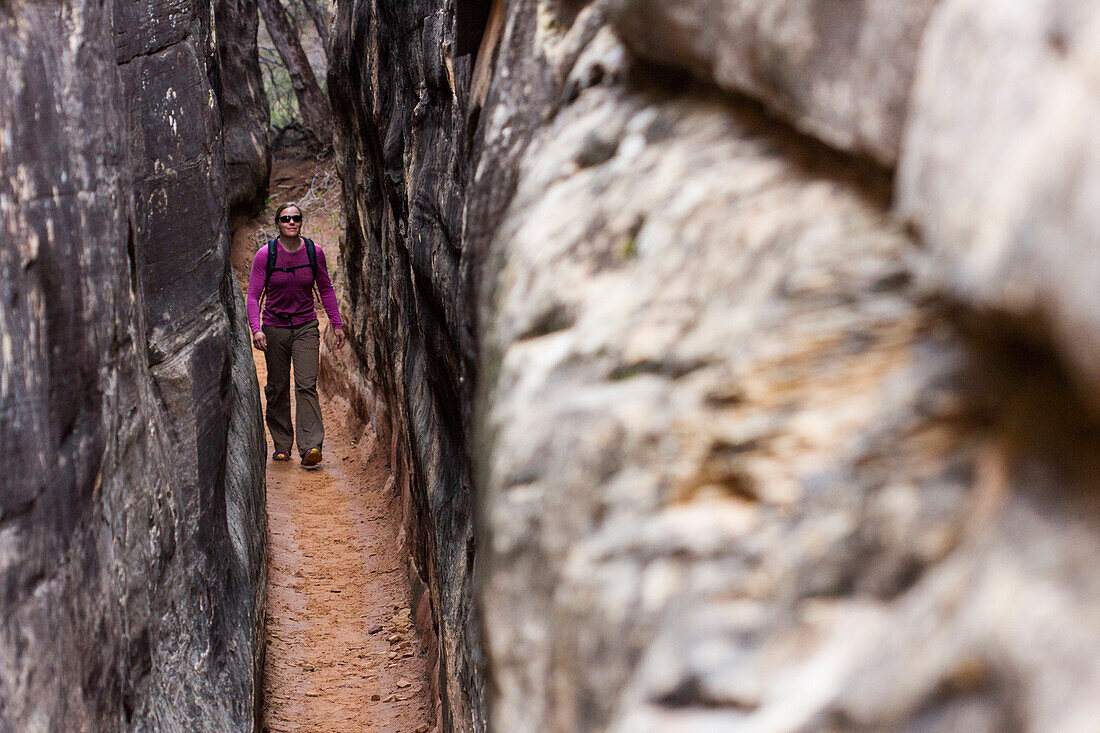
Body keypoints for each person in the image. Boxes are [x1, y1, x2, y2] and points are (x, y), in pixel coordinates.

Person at [247, 203, 345, 467]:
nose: (291, 222)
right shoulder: (265, 255)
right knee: (277, 387)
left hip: (305, 327)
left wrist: (336, 324)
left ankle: (311, 446)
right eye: (285, 218)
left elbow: (325, 289)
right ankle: (281, 444)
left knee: (306, 384)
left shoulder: (315, 253)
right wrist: (256, 329)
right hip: (275, 328)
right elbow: (254, 295)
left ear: (301, 222)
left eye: (295, 218)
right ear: (277, 223)